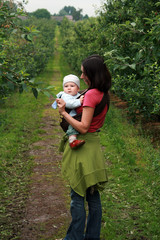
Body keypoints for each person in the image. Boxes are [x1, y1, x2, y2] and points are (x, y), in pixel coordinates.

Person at [56, 54, 112, 240]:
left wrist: (64, 112)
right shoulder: (103, 93)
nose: (81, 77)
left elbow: (83, 127)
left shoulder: (90, 96)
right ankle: (92, 236)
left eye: (83, 73)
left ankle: (74, 238)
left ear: (91, 73)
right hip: (93, 146)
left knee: (77, 196)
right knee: (93, 196)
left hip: (83, 146)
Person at [52, 74, 85, 149]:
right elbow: (70, 104)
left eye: (72, 86)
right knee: (72, 128)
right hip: (70, 117)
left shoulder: (76, 95)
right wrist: (79, 101)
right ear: (63, 88)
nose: (69, 88)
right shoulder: (65, 96)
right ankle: (72, 141)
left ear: (78, 88)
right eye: (66, 86)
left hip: (75, 116)